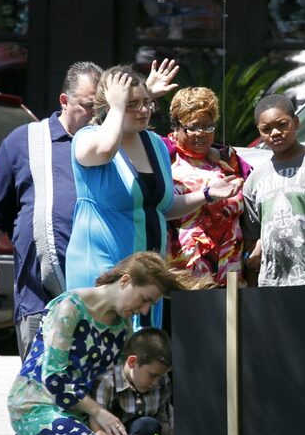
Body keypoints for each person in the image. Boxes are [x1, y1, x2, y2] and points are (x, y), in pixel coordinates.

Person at [66, 66, 241, 328]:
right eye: (132, 104)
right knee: (105, 353)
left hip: (147, 276)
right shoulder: (87, 138)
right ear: (110, 104)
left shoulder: (155, 144)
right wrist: (115, 107)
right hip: (104, 269)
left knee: (142, 358)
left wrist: (206, 195)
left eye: (147, 103)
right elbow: (104, 150)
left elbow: (164, 207)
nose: (144, 110)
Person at [0, 61, 103, 360]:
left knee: (93, 390)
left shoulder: (109, 147)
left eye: (102, 108)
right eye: (87, 106)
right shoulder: (25, 141)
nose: (95, 116)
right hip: (40, 297)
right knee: (40, 392)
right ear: (64, 100)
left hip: (99, 295)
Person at [7, 251, 186, 435]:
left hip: (83, 412)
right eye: (144, 299)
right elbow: (54, 379)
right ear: (125, 281)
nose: (144, 310)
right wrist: (99, 412)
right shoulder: (68, 308)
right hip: (39, 405)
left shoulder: (122, 324)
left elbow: (113, 380)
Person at [242, 94, 305, 287]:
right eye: (266, 129)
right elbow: (251, 237)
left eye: (282, 124)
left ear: (296, 122)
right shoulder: (254, 179)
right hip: (272, 284)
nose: (275, 133)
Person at [166, 87, 249, 287]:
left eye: (208, 126)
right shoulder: (165, 157)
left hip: (230, 267)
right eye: (193, 127)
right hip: (187, 270)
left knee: (230, 318)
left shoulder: (227, 161)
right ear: (177, 126)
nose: (201, 134)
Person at [91, 327, 174, 435]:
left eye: (160, 376)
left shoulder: (162, 382)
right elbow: (98, 433)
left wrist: (170, 431)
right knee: (146, 425)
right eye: (152, 375)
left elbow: (161, 419)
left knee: (149, 425)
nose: (156, 383)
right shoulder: (107, 383)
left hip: (150, 434)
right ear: (132, 362)